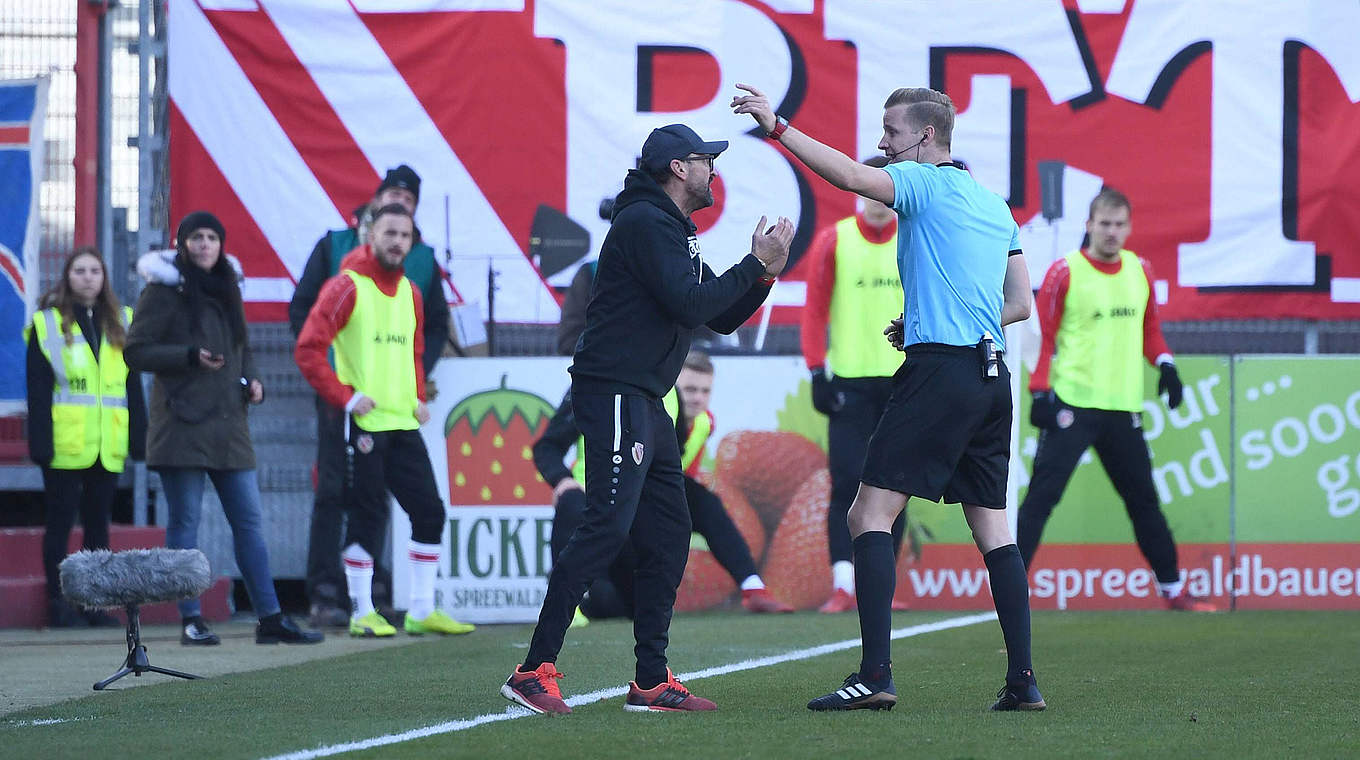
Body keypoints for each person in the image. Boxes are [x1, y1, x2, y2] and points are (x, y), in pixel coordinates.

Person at [734, 84, 1042, 712]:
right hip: (990, 376)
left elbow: (849, 175)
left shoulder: (924, 184)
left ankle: (875, 676)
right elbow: (1019, 305)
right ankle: (1023, 682)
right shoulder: (994, 205)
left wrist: (778, 126)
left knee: (866, 517)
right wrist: (931, 318)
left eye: (891, 132)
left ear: (926, 137)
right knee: (994, 532)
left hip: (939, 375)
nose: (882, 144)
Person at [501, 123, 794, 715]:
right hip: (616, 391)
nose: (714, 169)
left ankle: (651, 680)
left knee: (666, 535)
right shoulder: (645, 222)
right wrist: (753, 263)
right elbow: (695, 305)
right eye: (706, 160)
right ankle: (533, 670)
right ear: (678, 169)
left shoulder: (665, 226)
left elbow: (719, 315)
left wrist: (763, 274)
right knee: (606, 526)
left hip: (642, 397)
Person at [126, 211, 322, 646]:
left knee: (249, 522)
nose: (204, 245)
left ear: (221, 244)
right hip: (180, 424)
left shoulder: (229, 286)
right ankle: (190, 619)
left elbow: (241, 346)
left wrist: (253, 382)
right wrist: (189, 355)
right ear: (182, 244)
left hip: (229, 425)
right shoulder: (162, 291)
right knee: (185, 524)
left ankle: (270, 617)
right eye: (196, 237)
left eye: (212, 237)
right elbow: (136, 352)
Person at [1019, 188, 1215, 612]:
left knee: (1143, 501)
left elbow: (1150, 331)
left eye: (1119, 224)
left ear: (1129, 227)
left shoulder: (1139, 270)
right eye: (1104, 224)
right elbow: (1044, 337)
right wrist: (1039, 392)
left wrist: (1165, 365)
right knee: (1040, 500)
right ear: (1089, 225)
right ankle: (1008, 592)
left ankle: (1173, 589)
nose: (1111, 232)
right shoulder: (1064, 272)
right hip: (1071, 404)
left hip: (1122, 409)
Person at [295, 203, 474, 639]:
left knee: (430, 512)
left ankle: (421, 609)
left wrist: (415, 396)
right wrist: (346, 397)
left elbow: (412, 352)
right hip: (363, 426)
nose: (397, 242)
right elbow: (307, 350)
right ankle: (361, 613)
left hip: (403, 423)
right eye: (390, 233)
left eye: (405, 235)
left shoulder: (413, 291)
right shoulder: (345, 286)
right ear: (370, 235)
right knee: (367, 515)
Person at [533, 349, 794, 622]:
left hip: (640, 507)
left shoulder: (692, 417)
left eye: (705, 391)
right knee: (571, 502)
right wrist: (562, 481)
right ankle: (567, 605)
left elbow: (673, 467)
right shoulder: (598, 388)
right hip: (597, 500)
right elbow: (547, 446)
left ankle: (752, 587)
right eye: (690, 389)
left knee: (701, 502)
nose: (697, 398)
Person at [802, 155, 910, 614]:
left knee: (897, 484)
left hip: (904, 380)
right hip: (849, 383)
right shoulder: (835, 240)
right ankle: (844, 584)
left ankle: (879, 587)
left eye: (884, 191)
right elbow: (814, 311)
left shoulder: (913, 237)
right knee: (847, 482)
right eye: (868, 190)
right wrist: (816, 370)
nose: (877, 201)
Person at [26, 247, 147, 628]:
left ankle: (94, 606)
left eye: (95, 270)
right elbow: (38, 389)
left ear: (104, 277)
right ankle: (59, 605)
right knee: (60, 525)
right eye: (80, 270)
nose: (88, 277)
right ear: (67, 276)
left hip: (106, 443)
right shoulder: (47, 324)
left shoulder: (122, 321)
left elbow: (132, 386)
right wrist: (40, 442)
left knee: (98, 527)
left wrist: (139, 436)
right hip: (65, 443)